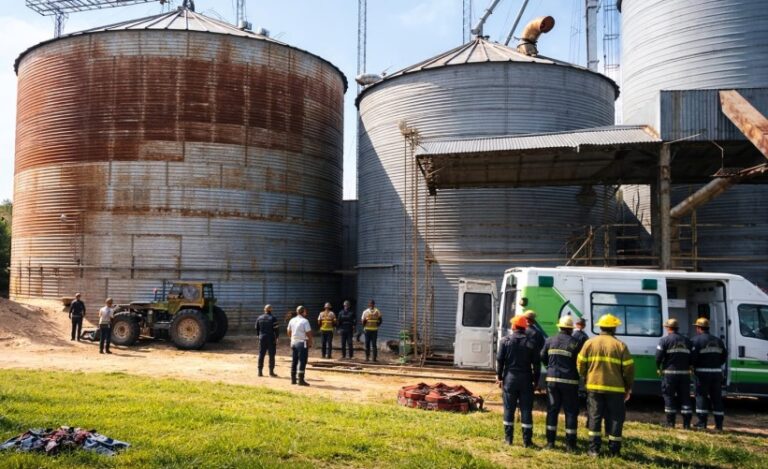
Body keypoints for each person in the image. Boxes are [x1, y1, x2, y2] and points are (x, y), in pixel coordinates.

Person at [577, 313, 634, 457]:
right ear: (614, 328)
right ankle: (614, 450)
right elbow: (628, 370)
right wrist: (628, 387)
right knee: (616, 418)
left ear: (600, 327)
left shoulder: (589, 343)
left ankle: (594, 450)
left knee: (595, 416)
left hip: (594, 386)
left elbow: (580, 364)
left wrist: (586, 377)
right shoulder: (620, 346)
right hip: (616, 389)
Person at [497, 314, 541, 447]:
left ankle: (508, 439)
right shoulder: (531, 343)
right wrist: (536, 381)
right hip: (526, 380)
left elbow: (500, 361)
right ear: (524, 327)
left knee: (509, 409)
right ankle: (527, 441)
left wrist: (499, 377)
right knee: (526, 410)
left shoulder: (505, 341)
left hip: (510, 379)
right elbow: (537, 365)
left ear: (515, 326)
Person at [541, 315, 582, 451]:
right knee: (570, 412)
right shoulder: (576, 342)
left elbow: (543, 357)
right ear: (571, 329)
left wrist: (550, 368)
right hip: (570, 381)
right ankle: (570, 445)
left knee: (552, 411)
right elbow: (580, 362)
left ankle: (550, 443)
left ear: (559, 327)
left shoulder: (550, 340)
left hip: (552, 380)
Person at [690, 317, 727, 430]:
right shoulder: (718, 341)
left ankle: (702, 422)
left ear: (698, 328)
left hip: (702, 374)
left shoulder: (696, 340)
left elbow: (693, 358)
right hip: (716, 373)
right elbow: (723, 357)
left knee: (701, 396)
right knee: (717, 398)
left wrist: (693, 366)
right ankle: (719, 425)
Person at [656, 318, 693, 429]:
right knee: (685, 397)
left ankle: (670, 423)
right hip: (685, 374)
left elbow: (658, 356)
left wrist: (658, 367)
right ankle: (686, 424)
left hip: (670, 374)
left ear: (668, 328)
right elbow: (693, 357)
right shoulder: (687, 341)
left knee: (669, 396)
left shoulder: (665, 340)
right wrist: (690, 366)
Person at [287, 305, 313, 386]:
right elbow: (309, 333)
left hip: (294, 343)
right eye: (305, 311)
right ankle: (301, 380)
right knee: (302, 361)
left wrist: (292, 339)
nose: (306, 312)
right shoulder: (305, 321)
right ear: (303, 312)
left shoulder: (292, 320)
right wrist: (310, 342)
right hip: (302, 343)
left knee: (294, 360)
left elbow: (288, 331)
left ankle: (293, 379)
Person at [255, 304, 279, 377]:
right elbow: (276, 329)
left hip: (262, 338)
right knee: (271, 355)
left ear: (264, 309)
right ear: (271, 310)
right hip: (271, 338)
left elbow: (257, 328)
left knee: (261, 354)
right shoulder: (273, 318)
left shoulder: (259, 318)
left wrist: (258, 336)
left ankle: (260, 372)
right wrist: (277, 337)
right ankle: (271, 372)